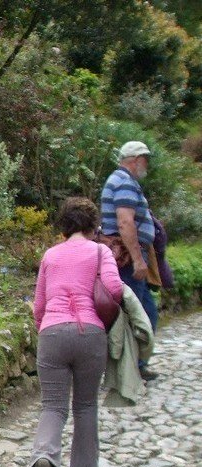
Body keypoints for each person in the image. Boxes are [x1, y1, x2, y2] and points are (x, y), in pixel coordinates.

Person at [29, 197, 124, 467]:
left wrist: (48, 328)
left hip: (53, 333)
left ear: (64, 225)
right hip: (90, 334)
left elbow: (40, 304)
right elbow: (115, 289)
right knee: (85, 406)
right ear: (93, 225)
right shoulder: (100, 252)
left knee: (52, 406)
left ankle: (44, 458)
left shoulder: (51, 256)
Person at [99, 140, 159, 380]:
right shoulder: (124, 182)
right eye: (145, 159)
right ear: (135, 160)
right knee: (136, 312)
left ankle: (136, 364)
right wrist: (138, 260)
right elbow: (125, 223)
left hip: (124, 258)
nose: (146, 165)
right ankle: (130, 367)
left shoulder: (123, 181)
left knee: (143, 310)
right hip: (126, 260)